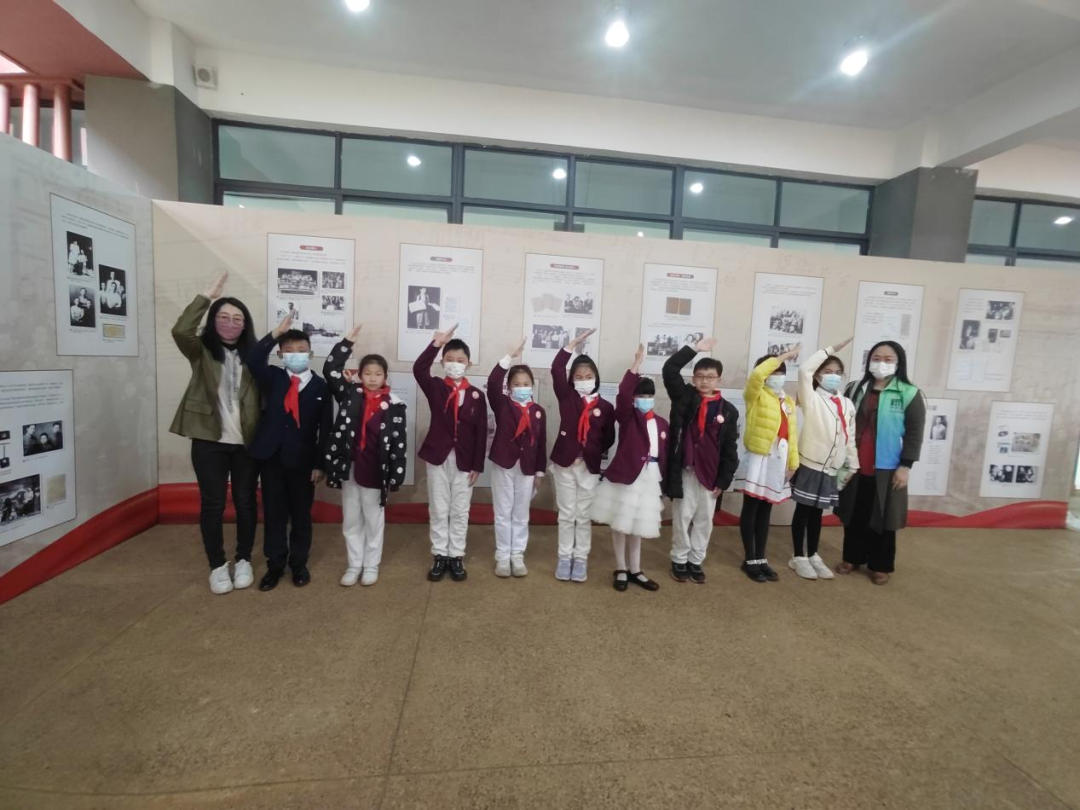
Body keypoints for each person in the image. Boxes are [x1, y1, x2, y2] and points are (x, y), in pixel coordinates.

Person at [170, 271, 261, 595]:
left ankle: (244, 559)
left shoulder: (254, 356)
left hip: (246, 443)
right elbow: (181, 330)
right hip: (209, 441)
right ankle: (218, 565)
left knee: (246, 502)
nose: (230, 323)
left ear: (245, 325)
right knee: (213, 504)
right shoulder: (201, 350)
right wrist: (207, 297)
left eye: (237, 319)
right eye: (223, 317)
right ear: (213, 320)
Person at [245, 314, 332, 591]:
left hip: (303, 462)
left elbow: (325, 429)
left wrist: (320, 464)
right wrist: (274, 335)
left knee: (301, 515)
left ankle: (298, 563)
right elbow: (253, 359)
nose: (296, 354)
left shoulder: (321, 387)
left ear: (310, 354)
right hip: (271, 458)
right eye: (289, 350)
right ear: (281, 354)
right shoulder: (273, 377)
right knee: (274, 513)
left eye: (301, 350)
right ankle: (275, 564)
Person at [324, 326, 408, 587]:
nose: (372, 378)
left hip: (375, 470)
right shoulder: (350, 395)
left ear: (385, 376)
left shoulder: (394, 405)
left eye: (378, 374)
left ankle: (371, 565)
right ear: (359, 375)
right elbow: (330, 370)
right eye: (368, 373)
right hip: (350, 466)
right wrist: (346, 343)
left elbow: (399, 443)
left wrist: (396, 474)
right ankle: (354, 564)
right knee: (351, 518)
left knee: (373, 519)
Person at [836, 341, 925, 586]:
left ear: (898, 363)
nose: (881, 363)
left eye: (888, 359)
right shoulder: (856, 388)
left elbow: (915, 432)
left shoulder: (908, 393)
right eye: (876, 358)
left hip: (888, 466)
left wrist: (905, 466)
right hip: (855, 463)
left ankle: (880, 564)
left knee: (883, 517)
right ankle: (852, 557)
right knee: (854, 513)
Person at [590, 344, 668, 593]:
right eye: (640, 395)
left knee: (638, 524)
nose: (644, 399)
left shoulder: (662, 423)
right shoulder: (627, 417)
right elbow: (623, 394)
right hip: (627, 476)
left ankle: (636, 569)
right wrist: (635, 365)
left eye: (648, 395)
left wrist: (664, 483)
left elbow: (664, 455)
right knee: (621, 522)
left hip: (650, 478)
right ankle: (621, 567)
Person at [413, 322, 488, 582]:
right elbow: (418, 369)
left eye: (460, 360)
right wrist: (436, 344)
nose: (455, 364)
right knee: (438, 507)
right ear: (443, 362)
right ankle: (440, 555)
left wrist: (478, 465)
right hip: (438, 456)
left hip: (465, 461)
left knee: (460, 509)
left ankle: (456, 555)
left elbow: (481, 433)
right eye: (450, 359)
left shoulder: (477, 395)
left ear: (468, 364)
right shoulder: (436, 386)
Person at [662, 337, 740, 585]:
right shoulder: (684, 397)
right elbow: (670, 369)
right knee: (682, 517)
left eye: (710, 377)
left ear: (719, 380)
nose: (705, 381)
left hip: (711, 474)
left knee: (704, 520)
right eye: (700, 376)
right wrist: (694, 349)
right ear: (694, 378)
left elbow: (730, 448)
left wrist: (724, 480)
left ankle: (696, 560)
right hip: (685, 470)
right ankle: (679, 558)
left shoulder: (728, 410)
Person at [788, 339, 859, 581]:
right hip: (811, 463)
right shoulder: (811, 397)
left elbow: (850, 436)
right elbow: (803, 370)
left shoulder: (847, 403)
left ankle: (813, 553)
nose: (833, 376)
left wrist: (853, 463)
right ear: (818, 376)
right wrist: (830, 350)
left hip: (832, 467)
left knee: (817, 512)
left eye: (838, 372)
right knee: (803, 510)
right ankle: (798, 556)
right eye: (828, 371)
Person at [549, 328, 615, 583]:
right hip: (565, 464)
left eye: (588, 376)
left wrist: (592, 452)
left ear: (596, 378)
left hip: (589, 467)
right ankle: (564, 557)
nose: (584, 380)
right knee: (567, 513)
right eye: (578, 377)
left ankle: (580, 558)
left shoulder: (605, 407)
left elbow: (608, 438)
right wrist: (571, 346)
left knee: (583, 515)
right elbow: (556, 368)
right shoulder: (567, 397)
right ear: (572, 380)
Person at [734, 347, 800, 583]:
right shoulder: (755, 394)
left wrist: (793, 463)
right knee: (751, 508)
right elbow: (756, 376)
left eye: (781, 372)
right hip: (759, 457)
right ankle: (750, 558)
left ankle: (761, 557)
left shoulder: (787, 401)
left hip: (778, 459)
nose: (777, 376)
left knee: (765, 509)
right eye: (773, 372)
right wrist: (783, 356)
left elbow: (792, 434)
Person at [487, 339, 547, 577]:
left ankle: (517, 555)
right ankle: (503, 556)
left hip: (528, 468)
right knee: (503, 512)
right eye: (517, 384)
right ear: (509, 387)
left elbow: (541, 443)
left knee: (521, 513)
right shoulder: (503, 405)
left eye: (526, 383)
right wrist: (508, 357)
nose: (522, 387)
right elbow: (493, 382)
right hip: (504, 464)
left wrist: (540, 472)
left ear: (532, 385)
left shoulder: (538, 411)